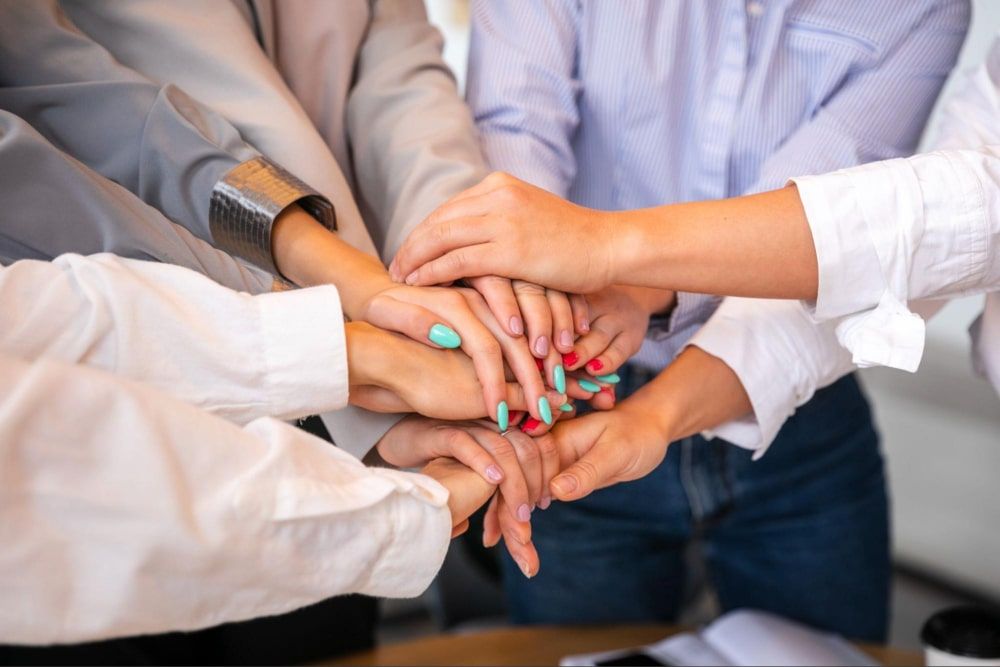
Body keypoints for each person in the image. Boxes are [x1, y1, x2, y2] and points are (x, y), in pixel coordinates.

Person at [390, 0, 971, 639]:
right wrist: (538, 299)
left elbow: (836, 234)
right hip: (580, 394)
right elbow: (513, 136)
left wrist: (633, 282)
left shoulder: (921, 9)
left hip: (798, 400)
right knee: (584, 652)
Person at [394, 31, 1000, 495]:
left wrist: (610, 251)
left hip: (803, 422)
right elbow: (887, 252)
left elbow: (922, 226)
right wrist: (647, 413)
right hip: (595, 389)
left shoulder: (916, 13)